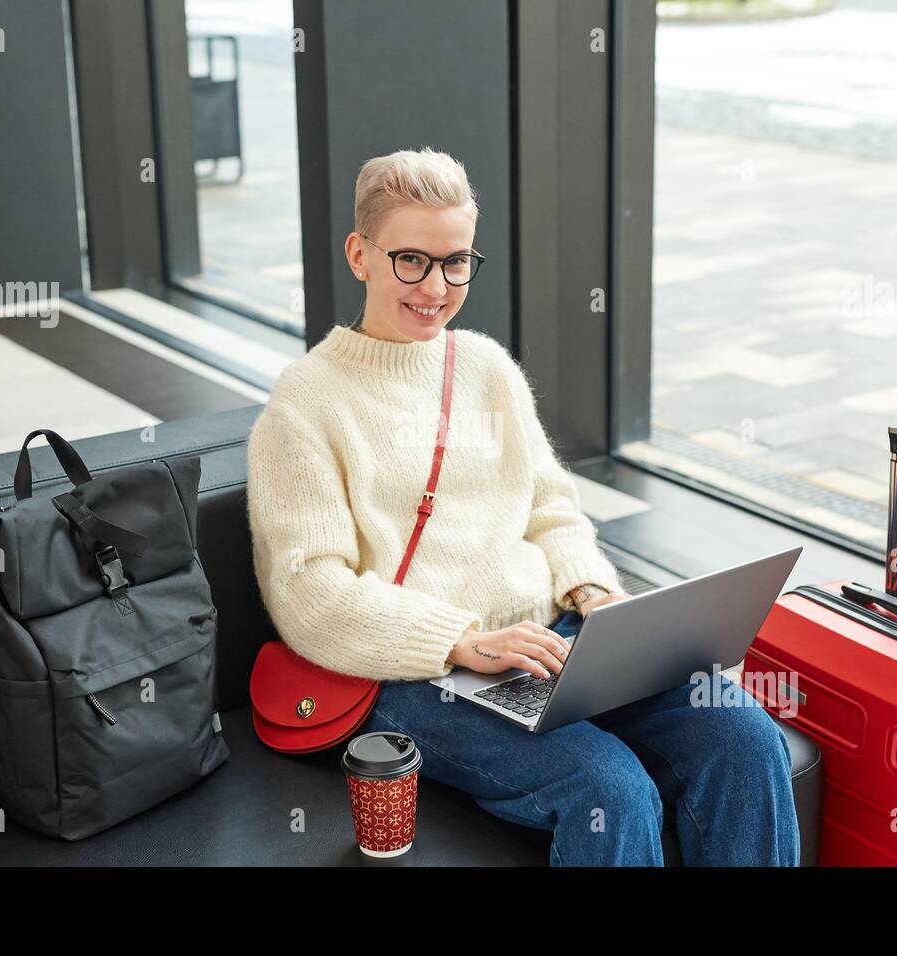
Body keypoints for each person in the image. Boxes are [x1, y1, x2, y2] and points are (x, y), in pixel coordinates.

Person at [246, 146, 799, 866]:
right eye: (410, 259)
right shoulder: (305, 404)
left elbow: (550, 505)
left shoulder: (484, 367)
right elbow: (308, 593)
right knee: (609, 789)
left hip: (553, 642)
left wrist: (594, 591)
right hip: (423, 672)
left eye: (456, 262)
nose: (436, 287)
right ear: (360, 255)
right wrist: (461, 641)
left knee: (745, 739)